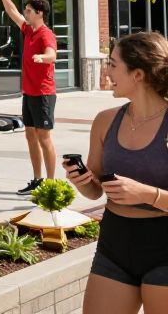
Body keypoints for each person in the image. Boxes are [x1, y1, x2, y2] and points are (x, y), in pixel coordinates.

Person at [63, 32, 168, 314]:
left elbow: (143, 193)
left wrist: (146, 193)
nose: (107, 71)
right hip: (115, 243)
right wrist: (83, 182)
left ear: (138, 74)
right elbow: (95, 189)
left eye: (113, 64)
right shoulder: (106, 120)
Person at [0, 0, 58, 194]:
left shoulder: (45, 34)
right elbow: (12, 12)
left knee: (44, 137)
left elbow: (52, 54)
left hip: (43, 93)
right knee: (30, 135)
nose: (25, 13)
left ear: (39, 13)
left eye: (29, 10)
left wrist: (43, 57)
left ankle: (51, 185)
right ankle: (37, 180)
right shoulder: (29, 30)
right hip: (29, 93)